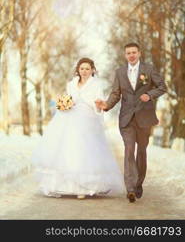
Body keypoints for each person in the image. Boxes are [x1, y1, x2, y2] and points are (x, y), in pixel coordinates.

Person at [32, 57, 124, 199]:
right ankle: (63, 185)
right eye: (82, 68)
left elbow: (99, 103)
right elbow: (69, 98)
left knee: (85, 150)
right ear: (78, 70)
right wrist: (65, 103)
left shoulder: (96, 84)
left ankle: (84, 187)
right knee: (68, 148)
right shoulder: (71, 84)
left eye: (87, 68)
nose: (84, 71)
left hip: (88, 118)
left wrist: (98, 105)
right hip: (70, 117)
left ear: (92, 70)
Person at [96, 43, 167, 203]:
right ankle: (130, 189)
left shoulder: (148, 69)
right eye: (128, 53)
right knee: (129, 150)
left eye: (134, 52)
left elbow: (163, 87)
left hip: (144, 118)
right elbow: (116, 93)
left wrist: (149, 94)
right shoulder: (120, 72)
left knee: (141, 152)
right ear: (125, 55)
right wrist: (106, 105)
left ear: (139, 53)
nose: (131, 55)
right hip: (126, 119)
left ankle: (138, 183)